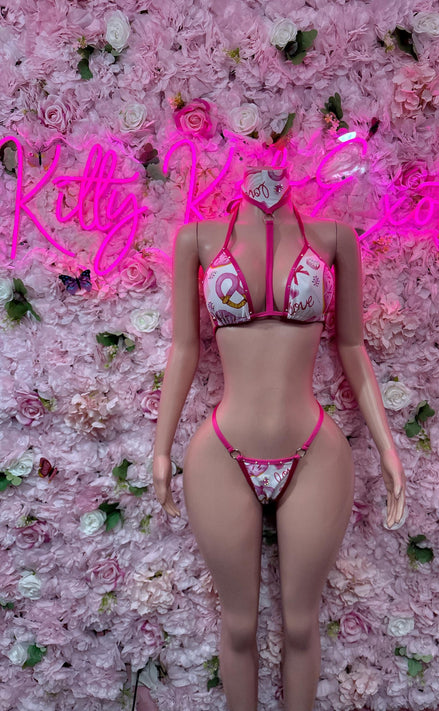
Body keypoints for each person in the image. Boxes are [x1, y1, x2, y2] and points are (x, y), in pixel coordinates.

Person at [152, 166, 406, 711]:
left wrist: (387, 446)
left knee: (301, 624)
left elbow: (352, 347)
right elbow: (184, 349)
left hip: (314, 451)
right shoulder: (196, 239)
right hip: (222, 452)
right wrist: (160, 449)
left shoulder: (334, 238)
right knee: (239, 624)